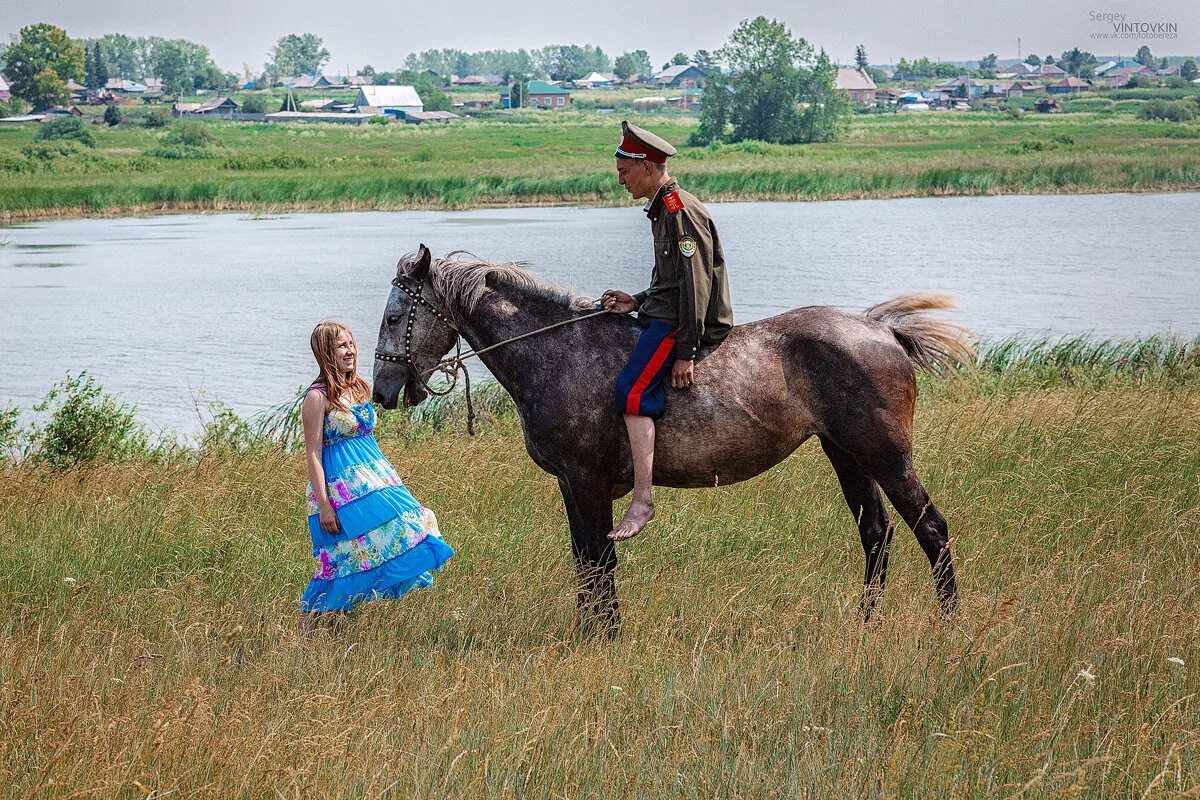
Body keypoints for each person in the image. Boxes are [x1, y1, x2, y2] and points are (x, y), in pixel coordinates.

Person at [601, 121, 734, 542]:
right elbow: (672, 280)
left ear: (646, 166)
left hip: (680, 325)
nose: (620, 180)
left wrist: (687, 351)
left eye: (624, 171)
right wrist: (637, 300)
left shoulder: (679, 211)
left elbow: (697, 286)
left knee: (632, 391)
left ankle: (642, 500)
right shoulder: (662, 208)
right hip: (664, 312)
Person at [298, 320, 453, 633]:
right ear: (327, 352)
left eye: (351, 343)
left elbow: (387, 415)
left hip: (376, 483)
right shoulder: (317, 398)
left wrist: (431, 370)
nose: (351, 350)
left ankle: (327, 634)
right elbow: (313, 453)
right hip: (340, 495)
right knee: (340, 562)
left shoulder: (360, 387)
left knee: (413, 526)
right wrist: (325, 505)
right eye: (342, 345)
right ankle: (306, 636)